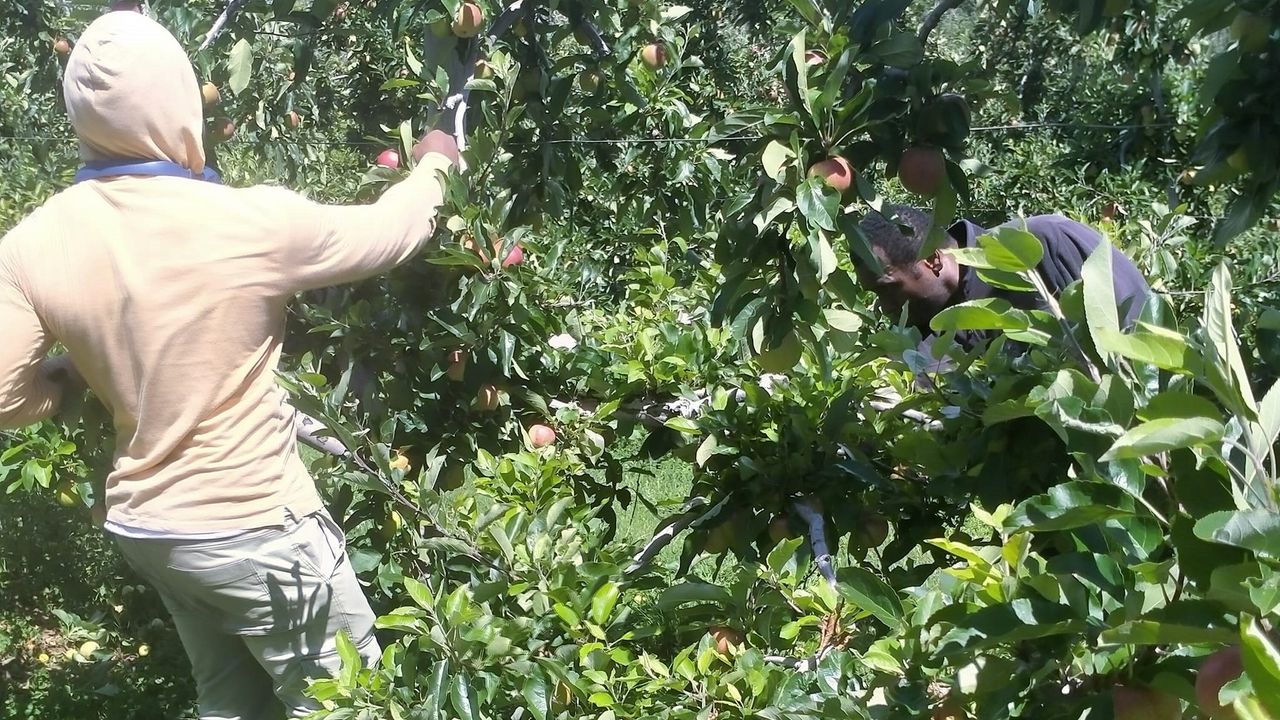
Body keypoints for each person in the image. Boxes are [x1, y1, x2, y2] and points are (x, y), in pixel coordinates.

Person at [0, 11, 460, 719]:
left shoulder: (34, 242)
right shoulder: (245, 222)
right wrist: (434, 166)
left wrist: (70, 376)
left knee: (233, 701)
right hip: (255, 527)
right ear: (176, 98)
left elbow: (5, 397)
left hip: (154, 530)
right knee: (356, 704)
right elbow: (389, 233)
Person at [853, 205, 1152, 380]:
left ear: (932, 259)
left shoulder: (1043, 242)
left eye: (888, 290)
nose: (886, 308)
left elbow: (1140, 325)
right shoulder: (919, 343)